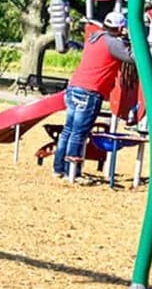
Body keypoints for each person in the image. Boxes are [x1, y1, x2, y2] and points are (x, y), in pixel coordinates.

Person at [52, 9, 135, 180]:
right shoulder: (114, 43)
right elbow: (134, 58)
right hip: (90, 91)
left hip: (75, 86)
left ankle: (59, 168)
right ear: (120, 28)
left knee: (68, 130)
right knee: (79, 133)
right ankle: (72, 171)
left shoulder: (95, 37)